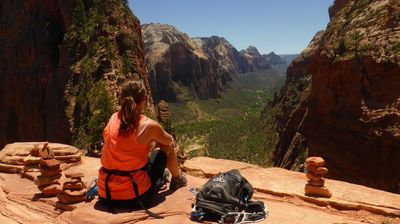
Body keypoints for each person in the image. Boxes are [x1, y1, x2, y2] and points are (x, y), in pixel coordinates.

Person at [97, 80, 187, 211]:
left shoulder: (113, 118)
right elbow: (169, 141)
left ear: (121, 98)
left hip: (105, 194)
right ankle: (177, 180)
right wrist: (154, 140)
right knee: (167, 145)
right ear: (144, 99)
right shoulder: (147, 125)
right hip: (135, 198)